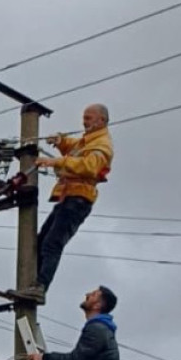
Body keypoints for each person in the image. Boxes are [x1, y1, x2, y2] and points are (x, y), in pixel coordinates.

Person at [13, 103, 114, 303]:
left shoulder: (103, 144)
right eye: (84, 117)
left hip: (79, 199)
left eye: (89, 118)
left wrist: (55, 162)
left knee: (52, 243)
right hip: (69, 197)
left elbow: (88, 166)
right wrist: (60, 141)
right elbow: (75, 148)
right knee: (41, 241)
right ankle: (32, 284)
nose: (84, 122)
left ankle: (40, 287)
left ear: (101, 120)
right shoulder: (89, 141)